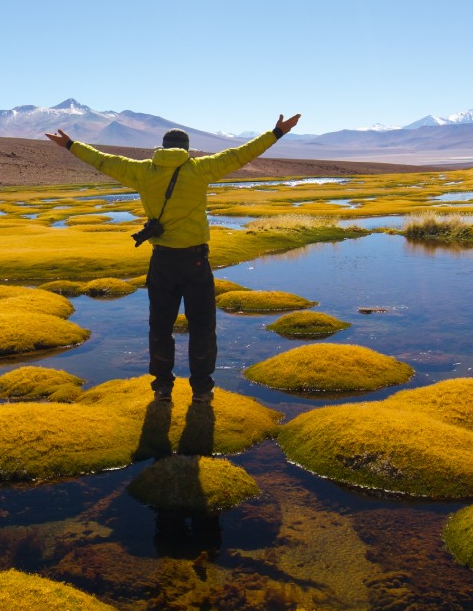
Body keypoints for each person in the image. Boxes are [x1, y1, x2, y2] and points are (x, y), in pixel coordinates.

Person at [46, 115, 300, 402]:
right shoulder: (200, 168)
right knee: (202, 326)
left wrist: (69, 144)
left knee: (161, 324)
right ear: (186, 149)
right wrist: (277, 132)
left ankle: (163, 386)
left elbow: (103, 160)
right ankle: (202, 388)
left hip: (162, 262)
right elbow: (241, 154)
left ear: (162, 147)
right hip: (195, 262)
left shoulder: (142, 171)